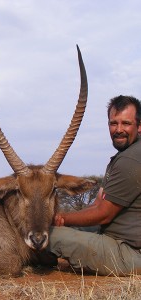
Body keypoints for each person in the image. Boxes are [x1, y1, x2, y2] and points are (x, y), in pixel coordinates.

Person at [47, 95, 141, 276]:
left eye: (126, 123)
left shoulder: (130, 159)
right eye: (113, 123)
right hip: (118, 240)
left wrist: (61, 219)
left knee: (49, 235)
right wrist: (65, 220)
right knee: (67, 229)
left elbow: (103, 214)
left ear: (139, 126)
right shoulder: (126, 155)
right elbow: (98, 203)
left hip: (129, 253)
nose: (118, 129)